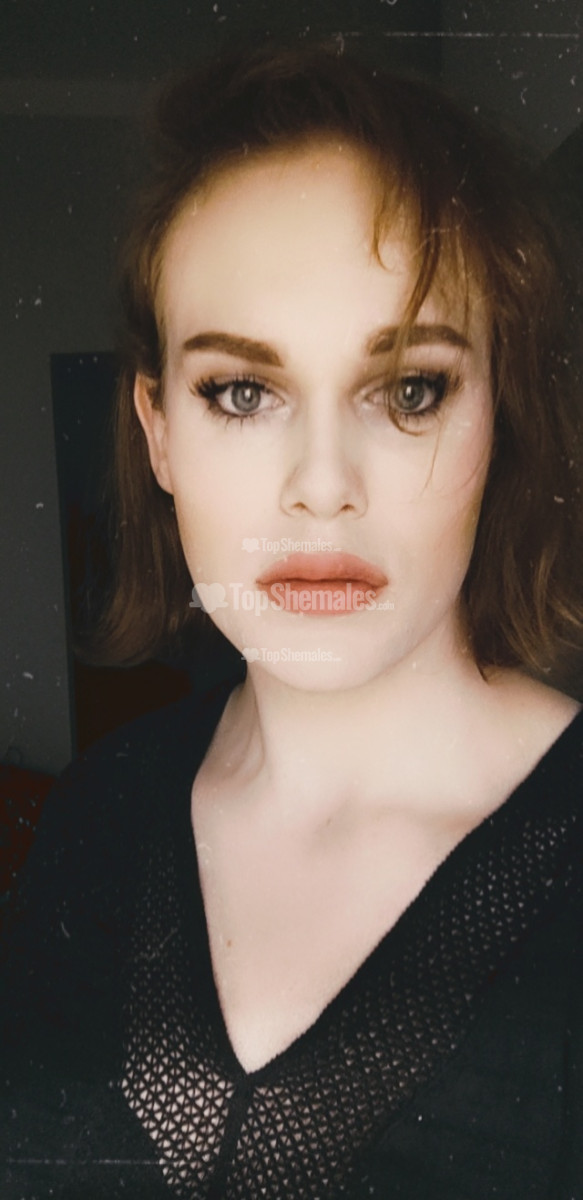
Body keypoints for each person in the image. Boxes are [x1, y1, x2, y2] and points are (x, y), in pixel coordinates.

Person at [2, 42, 583, 1200]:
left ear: (497, 418)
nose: (322, 487)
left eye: (409, 389)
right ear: (159, 433)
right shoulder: (96, 812)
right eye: (241, 392)